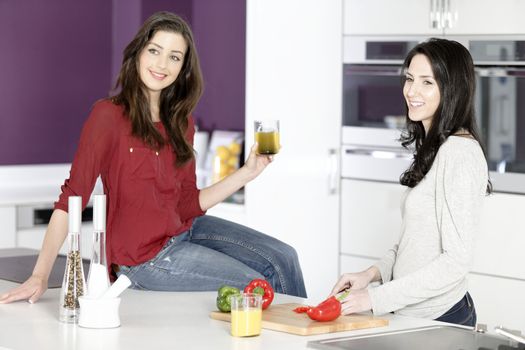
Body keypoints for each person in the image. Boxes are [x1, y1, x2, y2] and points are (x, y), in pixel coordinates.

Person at [0, 11, 306, 304]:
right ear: (138, 53)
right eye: (155, 51)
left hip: (186, 231)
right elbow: (72, 198)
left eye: (174, 57)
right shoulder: (108, 115)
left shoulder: (182, 121)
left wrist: (249, 172)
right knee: (261, 286)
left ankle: (307, 334)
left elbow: (188, 203)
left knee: (284, 258)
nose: (162, 64)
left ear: (183, 67)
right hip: (144, 259)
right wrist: (39, 275)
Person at [330, 38, 491, 327]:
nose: (412, 91)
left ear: (452, 89)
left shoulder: (459, 153)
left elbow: (456, 261)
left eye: (427, 82)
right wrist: (371, 274)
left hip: (441, 320)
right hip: (413, 316)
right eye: (409, 79)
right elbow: (413, 245)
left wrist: (373, 299)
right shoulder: (436, 147)